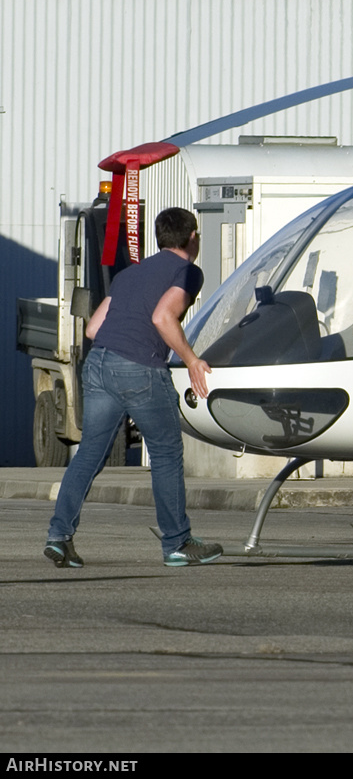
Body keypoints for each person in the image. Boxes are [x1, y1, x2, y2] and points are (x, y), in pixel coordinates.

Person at [44, 207, 221, 568]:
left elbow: (94, 329)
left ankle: (59, 537)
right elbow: (162, 316)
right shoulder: (188, 271)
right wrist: (191, 360)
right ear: (192, 238)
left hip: (99, 364)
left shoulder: (129, 274)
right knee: (167, 454)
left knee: (90, 454)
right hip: (139, 368)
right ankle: (177, 543)